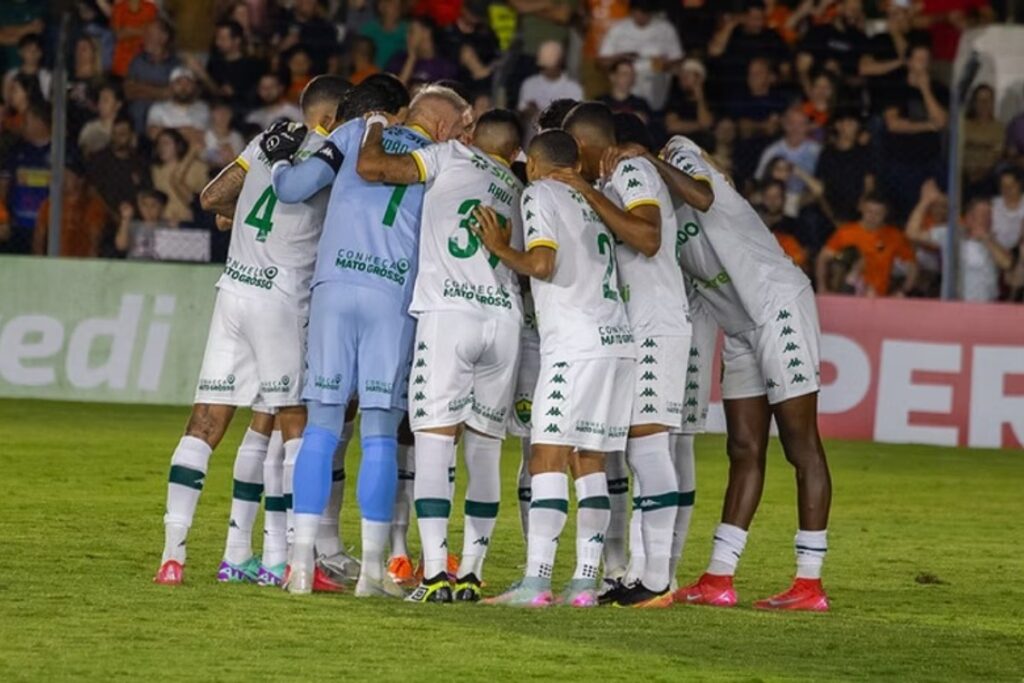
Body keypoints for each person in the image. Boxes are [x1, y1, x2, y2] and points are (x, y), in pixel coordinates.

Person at [269, 78, 469, 597]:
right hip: (391, 296)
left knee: (322, 428)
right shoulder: (446, 158)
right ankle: (375, 572)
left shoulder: (360, 128)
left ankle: (297, 566)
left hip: (335, 285)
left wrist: (276, 163)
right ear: (444, 124)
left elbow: (291, 189)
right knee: (380, 431)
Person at [152, 75, 352, 588]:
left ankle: (175, 557)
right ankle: (283, 560)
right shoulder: (331, 157)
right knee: (295, 428)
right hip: (283, 299)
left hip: (234, 290)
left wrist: (239, 218)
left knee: (206, 423)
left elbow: (212, 195)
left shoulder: (268, 141)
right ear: (332, 117)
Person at [641, 135, 832, 612]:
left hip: (777, 307)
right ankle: (718, 577)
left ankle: (809, 583)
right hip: (741, 327)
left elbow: (704, 195)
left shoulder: (677, 155)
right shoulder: (653, 208)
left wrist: (648, 156)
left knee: (799, 445)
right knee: (743, 448)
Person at [355, 108, 526, 603]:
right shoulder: (519, 189)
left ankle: (434, 575)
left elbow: (374, 168)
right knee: (485, 450)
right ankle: (471, 572)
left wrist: (376, 125)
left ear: (471, 137)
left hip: (449, 312)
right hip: (504, 319)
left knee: (433, 442)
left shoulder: (451, 154)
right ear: (515, 153)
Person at [476, 129, 636, 608]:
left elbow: (542, 264)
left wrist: (501, 247)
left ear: (535, 165)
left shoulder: (540, 193)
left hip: (575, 344)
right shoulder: (594, 200)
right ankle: (585, 582)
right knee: (590, 460)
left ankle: (536, 582)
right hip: (616, 342)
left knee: (547, 456)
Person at [557, 103, 693, 607]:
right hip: (638, 328)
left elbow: (648, 237)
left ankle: (657, 578)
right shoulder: (614, 180)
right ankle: (642, 572)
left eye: (576, 153)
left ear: (589, 147)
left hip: (656, 325)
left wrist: (587, 191)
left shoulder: (630, 170)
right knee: (642, 451)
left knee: (649, 449)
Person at [906, 180, 1011, 302]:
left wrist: (986, 239)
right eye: (982, 215)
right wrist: (924, 202)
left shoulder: (994, 239)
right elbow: (911, 233)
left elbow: (1007, 264)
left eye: (989, 215)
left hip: (987, 307)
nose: (986, 219)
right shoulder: (951, 234)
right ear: (969, 217)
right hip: (954, 305)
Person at [881, 44, 948, 222]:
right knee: (906, 212)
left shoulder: (939, 89)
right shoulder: (895, 88)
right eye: (919, 60)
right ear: (909, 62)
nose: (923, 64)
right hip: (903, 161)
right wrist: (927, 126)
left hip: (930, 160)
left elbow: (941, 121)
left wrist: (925, 89)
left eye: (926, 60)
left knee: (936, 210)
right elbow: (893, 124)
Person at [816, 193, 918, 297]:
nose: (872, 217)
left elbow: (912, 266)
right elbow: (823, 258)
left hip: (880, 297)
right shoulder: (846, 232)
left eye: (878, 213)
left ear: (885, 214)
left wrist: (903, 291)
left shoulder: (894, 236)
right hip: (847, 295)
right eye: (869, 212)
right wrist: (822, 286)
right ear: (862, 209)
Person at [597, 0, 684, 111]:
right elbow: (601, 62)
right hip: (627, 81)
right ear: (632, 12)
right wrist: (622, 57)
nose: (642, 17)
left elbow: (678, 59)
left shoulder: (665, 28)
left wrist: (665, 64)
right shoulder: (618, 29)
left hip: (655, 80)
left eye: (646, 13)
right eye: (639, 13)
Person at [0, 100, 51, 254]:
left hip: (48, 232)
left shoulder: (61, 152)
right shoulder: (14, 151)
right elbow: (3, 188)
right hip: (16, 231)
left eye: (26, 120)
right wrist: (3, 220)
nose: (22, 125)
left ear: (39, 122)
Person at [32, 159, 108, 257]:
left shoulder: (93, 205)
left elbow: (95, 241)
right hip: (54, 263)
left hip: (82, 264)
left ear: (81, 180)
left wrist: (90, 268)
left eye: (68, 175)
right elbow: (39, 238)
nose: (63, 179)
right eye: (61, 174)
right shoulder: (49, 204)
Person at [814, 109, 874, 224]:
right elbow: (819, 189)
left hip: (856, 211)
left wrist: (862, 206)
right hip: (829, 210)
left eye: (855, 124)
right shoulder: (827, 154)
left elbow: (869, 185)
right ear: (838, 125)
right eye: (850, 123)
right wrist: (831, 216)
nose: (854, 128)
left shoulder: (864, 153)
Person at [86, 114, 152, 215]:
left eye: (122, 134)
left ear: (131, 135)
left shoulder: (140, 162)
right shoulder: (99, 159)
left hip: (133, 219)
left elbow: (147, 194)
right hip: (103, 219)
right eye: (114, 134)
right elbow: (92, 192)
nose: (117, 138)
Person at [123, 19, 180, 131]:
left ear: (164, 38)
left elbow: (170, 94)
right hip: (136, 124)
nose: (145, 38)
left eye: (150, 34)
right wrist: (159, 91)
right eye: (145, 33)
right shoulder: (137, 60)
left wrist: (139, 87)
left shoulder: (175, 64)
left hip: (162, 125)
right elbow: (128, 91)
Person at [756, 105, 822, 197]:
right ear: (784, 125)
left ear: (808, 127)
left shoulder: (817, 151)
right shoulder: (772, 151)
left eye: (801, 124)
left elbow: (821, 188)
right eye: (792, 123)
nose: (796, 129)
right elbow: (759, 182)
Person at [150, 128, 209, 227]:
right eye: (159, 144)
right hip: (163, 222)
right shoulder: (155, 170)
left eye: (166, 143)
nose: (161, 147)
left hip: (190, 222)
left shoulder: (198, 168)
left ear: (178, 146)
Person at [517, 41, 583, 127]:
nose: (548, 70)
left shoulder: (574, 88)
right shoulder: (529, 84)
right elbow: (522, 111)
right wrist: (530, 111)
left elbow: (576, 116)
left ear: (560, 62)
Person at [204, 20, 266, 111]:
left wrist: (235, 93)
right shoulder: (214, 63)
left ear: (237, 40)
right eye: (217, 38)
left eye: (223, 39)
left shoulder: (253, 65)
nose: (218, 43)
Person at [387, 17, 459, 86]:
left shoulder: (445, 67)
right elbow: (394, 94)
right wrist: (411, 58)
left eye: (411, 31)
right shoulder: (398, 60)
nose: (406, 36)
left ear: (426, 33)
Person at [146, 67, 210, 143]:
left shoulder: (204, 108)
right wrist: (185, 131)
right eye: (178, 83)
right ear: (171, 86)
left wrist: (168, 130)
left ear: (194, 87)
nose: (183, 87)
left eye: (188, 83)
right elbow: (153, 134)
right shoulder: (158, 108)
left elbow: (208, 136)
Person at [962, 84, 1003, 196]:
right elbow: (960, 147)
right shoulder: (964, 124)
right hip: (964, 173)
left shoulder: (998, 127)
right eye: (980, 100)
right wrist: (986, 144)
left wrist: (973, 142)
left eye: (987, 100)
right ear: (974, 102)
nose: (984, 104)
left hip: (987, 174)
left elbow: (997, 153)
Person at [664, 59, 713, 137]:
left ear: (699, 78)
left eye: (688, 74)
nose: (683, 78)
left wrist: (700, 98)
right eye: (682, 75)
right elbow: (672, 126)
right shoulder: (675, 99)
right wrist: (700, 125)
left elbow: (707, 123)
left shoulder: (709, 99)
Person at [110, 0, 159, 78]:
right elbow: (118, 35)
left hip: (145, 60)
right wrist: (142, 30)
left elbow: (153, 33)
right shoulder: (119, 8)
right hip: (121, 62)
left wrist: (128, 31)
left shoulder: (151, 8)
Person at [78, 82, 125, 157]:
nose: (101, 104)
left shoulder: (125, 128)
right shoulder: (90, 128)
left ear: (118, 104)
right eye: (100, 100)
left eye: (105, 100)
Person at [359, 0, 409, 69]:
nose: (397, 8)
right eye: (392, 4)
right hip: (372, 75)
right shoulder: (368, 31)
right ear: (381, 6)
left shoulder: (408, 31)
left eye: (399, 5)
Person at [2, 33, 50, 104]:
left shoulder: (46, 76)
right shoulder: (11, 76)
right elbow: (6, 102)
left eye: (36, 50)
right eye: (28, 50)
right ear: (20, 52)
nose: (32, 54)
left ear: (41, 53)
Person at [203, 99, 245, 170]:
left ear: (231, 115)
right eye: (218, 112)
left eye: (226, 112)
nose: (222, 116)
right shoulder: (205, 136)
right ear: (212, 114)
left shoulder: (237, 138)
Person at [992, 168, 1024, 251]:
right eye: (1003, 186)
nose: (1007, 189)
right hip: (995, 253)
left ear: (1020, 184)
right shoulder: (993, 205)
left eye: (1012, 185)